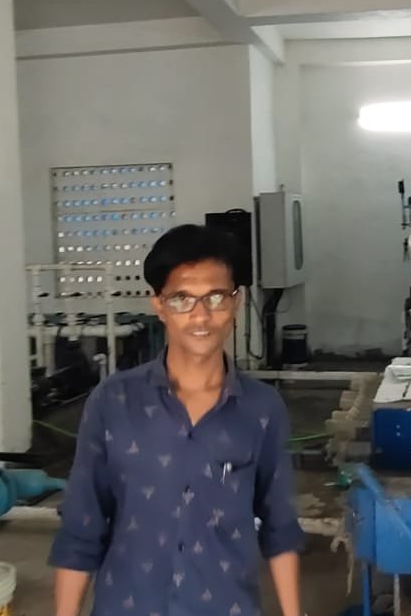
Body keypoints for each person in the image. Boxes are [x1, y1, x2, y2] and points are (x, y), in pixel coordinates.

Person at [50, 224, 304, 616]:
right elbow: (81, 527)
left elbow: (279, 528)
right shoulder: (113, 402)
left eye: (215, 297)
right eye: (182, 298)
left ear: (236, 302)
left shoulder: (262, 409)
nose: (201, 316)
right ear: (159, 305)